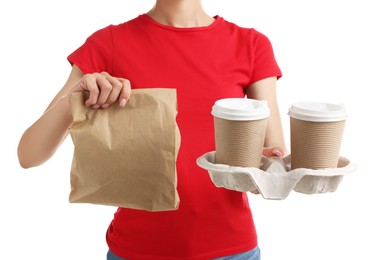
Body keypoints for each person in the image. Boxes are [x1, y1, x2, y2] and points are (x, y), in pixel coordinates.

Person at [17, 0, 287, 259]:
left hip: (233, 250)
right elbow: (29, 154)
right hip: (135, 250)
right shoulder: (108, 43)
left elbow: (274, 162)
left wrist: (263, 169)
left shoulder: (251, 45)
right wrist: (73, 99)